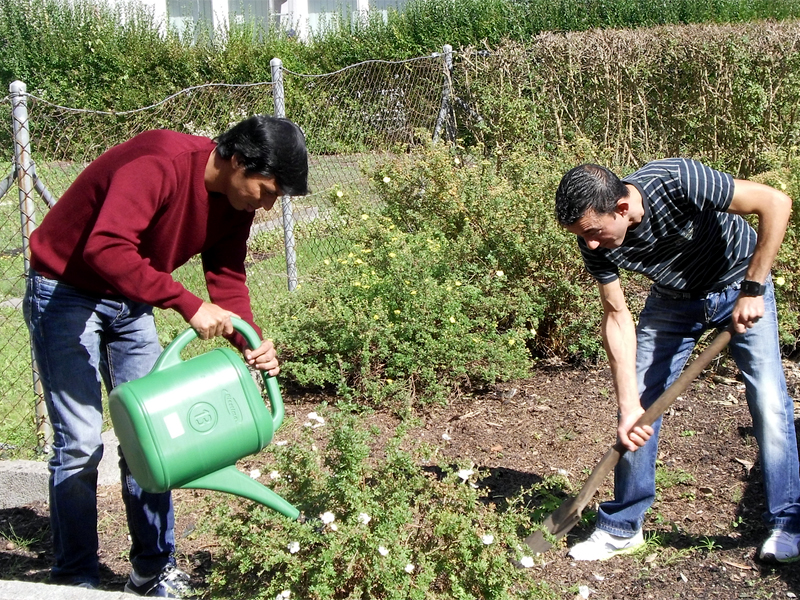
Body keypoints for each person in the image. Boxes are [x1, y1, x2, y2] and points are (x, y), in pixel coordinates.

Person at [22, 115, 308, 595]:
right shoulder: (160, 163)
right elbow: (106, 247)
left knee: (155, 436)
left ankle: (152, 571)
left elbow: (228, 276)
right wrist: (186, 303)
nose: (268, 204)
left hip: (130, 294)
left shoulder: (235, 202)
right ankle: (74, 579)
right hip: (65, 289)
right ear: (238, 161)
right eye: (268, 190)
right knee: (80, 441)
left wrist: (250, 341)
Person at [554, 159, 800, 563]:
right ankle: (621, 527)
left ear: (620, 207)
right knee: (640, 408)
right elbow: (616, 317)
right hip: (673, 300)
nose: (591, 245)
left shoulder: (677, 180)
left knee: (770, 402)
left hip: (740, 282)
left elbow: (775, 202)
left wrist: (754, 287)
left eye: (594, 232)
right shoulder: (592, 238)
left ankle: (787, 523)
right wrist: (627, 405)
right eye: (583, 236)